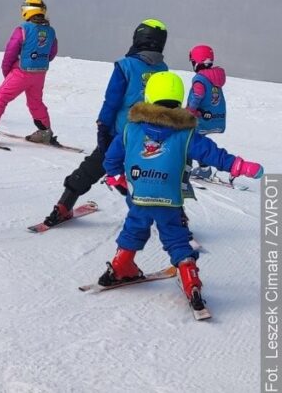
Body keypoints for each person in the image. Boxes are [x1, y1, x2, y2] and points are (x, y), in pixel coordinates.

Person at [96, 71, 262, 309]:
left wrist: (118, 178)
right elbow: (213, 155)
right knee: (176, 235)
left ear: (149, 95)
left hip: (139, 195)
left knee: (134, 226)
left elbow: (111, 160)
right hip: (169, 199)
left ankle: (122, 265)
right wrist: (241, 166)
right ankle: (190, 280)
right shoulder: (186, 134)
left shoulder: (130, 130)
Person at [41, 19, 168, 227]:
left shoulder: (125, 66)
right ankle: (171, 218)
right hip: (150, 136)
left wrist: (102, 127)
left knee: (93, 167)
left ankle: (64, 205)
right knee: (149, 176)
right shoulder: (163, 69)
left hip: (120, 133)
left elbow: (112, 100)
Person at [0, 0, 58, 143]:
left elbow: (10, 52)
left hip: (21, 72)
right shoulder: (50, 31)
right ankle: (45, 132)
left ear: (27, 11)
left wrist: (7, 72)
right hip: (40, 73)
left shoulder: (23, 29)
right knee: (35, 102)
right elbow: (52, 53)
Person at [186, 45, 227, 180]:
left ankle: (188, 169)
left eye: (193, 62)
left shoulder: (200, 79)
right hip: (214, 118)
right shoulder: (215, 78)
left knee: (189, 140)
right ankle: (204, 167)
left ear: (197, 62)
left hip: (200, 118)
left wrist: (190, 110)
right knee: (198, 140)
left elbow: (197, 95)